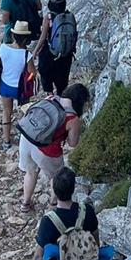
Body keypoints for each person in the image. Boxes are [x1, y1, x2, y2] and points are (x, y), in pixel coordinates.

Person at [33, 167, 115, 260]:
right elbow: (95, 242)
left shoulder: (48, 221)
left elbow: (38, 258)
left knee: (47, 258)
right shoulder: (88, 211)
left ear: (54, 191)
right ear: (73, 189)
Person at [18, 82, 90, 210]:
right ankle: (54, 204)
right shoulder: (72, 118)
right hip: (46, 149)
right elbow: (73, 143)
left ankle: (25, 203)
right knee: (56, 177)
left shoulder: (51, 98)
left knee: (30, 172)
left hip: (27, 137)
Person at [0, 22, 35, 149]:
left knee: (7, 112)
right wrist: (27, 80)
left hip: (5, 86)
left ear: (13, 35)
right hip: (20, 89)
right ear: (26, 38)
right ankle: (25, 138)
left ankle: (6, 141)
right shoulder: (26, 54)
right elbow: (32, 73)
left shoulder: (2, 48)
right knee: (25, 111)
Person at [39, 0, 79, 94]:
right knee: (62, 83)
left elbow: (43, 37)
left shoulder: (48, 18)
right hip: (66, 55)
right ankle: (61, 100)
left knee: (45, 75)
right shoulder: (70, 16)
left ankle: (50, 96)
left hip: (50, 54)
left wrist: (34, 52)